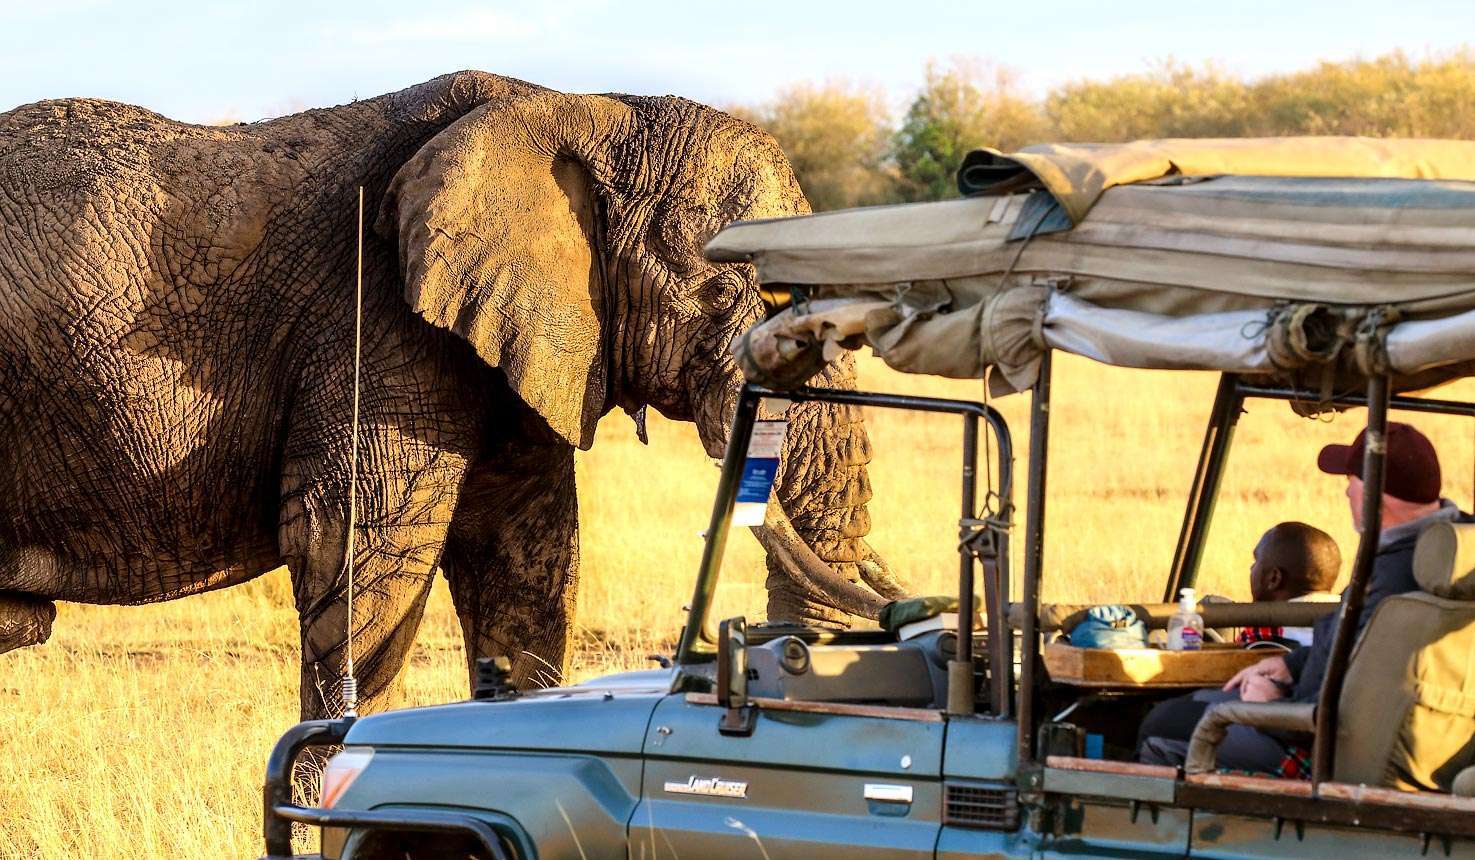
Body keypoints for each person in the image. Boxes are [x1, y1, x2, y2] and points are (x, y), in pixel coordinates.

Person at [1138, 421, 1469, 776]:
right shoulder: (1452, 558)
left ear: (1373, 495)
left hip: (1315, 739)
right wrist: (1292, 665)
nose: (1346, 493)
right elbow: (1366, 656)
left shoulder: (1392, 578)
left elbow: (1355, 697)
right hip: (1392, 737)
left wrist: (1274, 706)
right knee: (1196, 704)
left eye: (1352, 483)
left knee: (1160, 723)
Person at [1237, 522, 1341, 647]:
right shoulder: (1350, 617)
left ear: (1274, 578)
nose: (1251, 567)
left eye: (1256, 560)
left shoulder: (1263, 632)